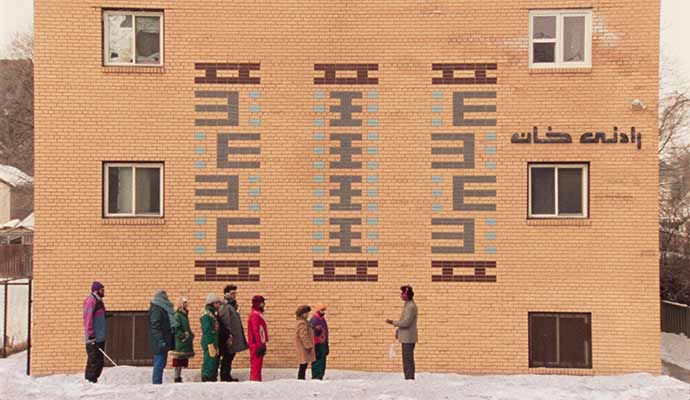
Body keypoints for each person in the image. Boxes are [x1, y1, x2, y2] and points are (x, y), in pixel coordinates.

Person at [217, 284, 249, 382]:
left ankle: (227, 375)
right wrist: (228, 336)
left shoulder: (232, 306)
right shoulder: (225, 307)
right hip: (229, 337)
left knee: (230, 356)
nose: (234, 295)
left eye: (235, 293)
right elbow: (225, 322)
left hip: (233, 337)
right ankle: (225, 376)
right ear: (226, 294)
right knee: (227, 357)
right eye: (232, 293)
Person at [386, 285, 418, 380]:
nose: (401, 295)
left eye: (402, 293)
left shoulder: (411, 306)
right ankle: (408, 378)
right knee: (407, 359)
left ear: (406, 295)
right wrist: (398, 331)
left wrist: (393, 322)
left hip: (408, 338)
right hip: (406, 337)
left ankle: (409, 379)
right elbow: (404, 321)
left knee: (408, 360)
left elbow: (406, 322)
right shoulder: (408, 305)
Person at [148, 289, 177, 385]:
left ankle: (157, 382)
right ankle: (156, 383)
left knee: (161, 363)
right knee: (159, 363)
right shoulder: (157, 309)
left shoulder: (162, 308)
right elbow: (155, 326)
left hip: (164, 339)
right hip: (159, 341)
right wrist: (160, 339)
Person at [83, 281, 107, 383]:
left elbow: (98, 316)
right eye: (102, 290)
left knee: (99, 362)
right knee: (93, 361)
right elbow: (88, 319)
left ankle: (94, 380)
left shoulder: (99, 301)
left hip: (100, 337)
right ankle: (90, 381)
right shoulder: (91, 301)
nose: (104, 291)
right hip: (93, 338)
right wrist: (90, 334)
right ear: (96, 291)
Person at [170, 297, 195, 383]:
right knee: (178, 359)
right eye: (184, 302)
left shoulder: (184, 315)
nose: (186, 304)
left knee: (181, 359)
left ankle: (178, 376)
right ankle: (176, 377)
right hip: (180, 341)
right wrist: (183, 335)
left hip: (184, 341)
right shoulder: (177, 315)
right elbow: (176, 328)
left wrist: (191, 335)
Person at [200, 293, 222, 382]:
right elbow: (207, 330)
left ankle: (212, 377)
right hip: (209, 341)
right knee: (209, 361)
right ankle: (207, 377)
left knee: (213, 361)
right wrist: (210, 343)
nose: (219, 305)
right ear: (213, 303)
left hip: (213, 341)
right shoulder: (206, 314)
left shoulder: (212, 313)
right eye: (218, 303)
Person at [247, 295, 269, 382]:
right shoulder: (255, 315)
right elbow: (256, 330)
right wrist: (260, 344)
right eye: (262, 302)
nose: (263, 304)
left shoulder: (257, 313)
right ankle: (255, 381)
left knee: (258, 364)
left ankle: (257, 380)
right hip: (256, 343)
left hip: (258, 343)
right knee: (256, 365)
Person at [294, 305, 316, 380]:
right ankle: (301, 379)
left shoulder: (304, 322)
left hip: (303, 347)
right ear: (302, 314)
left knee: (303, 365)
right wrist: (308, 346)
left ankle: (301, 379)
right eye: (306, 313)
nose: (307, 315)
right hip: (303, 348)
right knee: (303, 365)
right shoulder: (302, 323)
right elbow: (303, 336)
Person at [309, 304, 329, 380]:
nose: (323, 312)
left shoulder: (322, 319)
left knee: (322, 361)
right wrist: (315, 345)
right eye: (322, 310)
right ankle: (316, 376)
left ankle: (320, 375)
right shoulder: (315, 320)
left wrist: (326, 343)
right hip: (317, 344)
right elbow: (313, 333)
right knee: (318, 361)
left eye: (324, 310)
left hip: (323, 343)